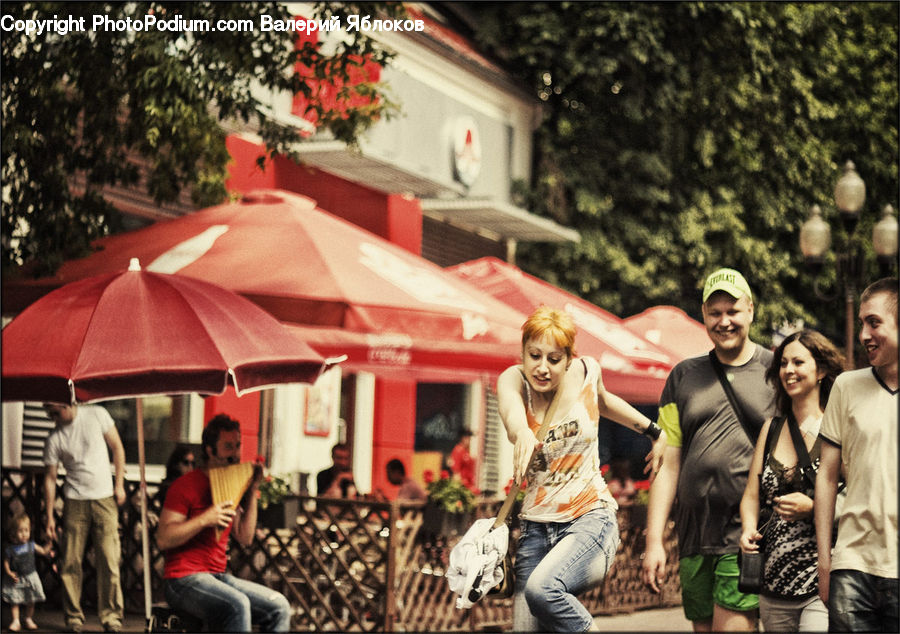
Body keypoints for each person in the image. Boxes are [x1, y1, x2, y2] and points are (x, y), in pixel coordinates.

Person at [497, 305, 666, 631]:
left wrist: (654, 431)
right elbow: (510, 410)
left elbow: (602, 401)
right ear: (523, 353)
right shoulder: (513, 380)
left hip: (590, 521)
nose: (542, 368)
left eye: (553, 359)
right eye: (534, 355)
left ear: (569, 359)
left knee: (542, 589)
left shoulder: (587, 372)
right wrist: (522, 434)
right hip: (535, 531)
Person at [641, 268, 776, 632]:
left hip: (745, 531)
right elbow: (668, 466)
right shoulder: (682, 376)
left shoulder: (775, 371)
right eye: (715, 313)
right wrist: (655, 541)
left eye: (733, 311)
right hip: (693, 534)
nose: (724, 321)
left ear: (750, 310)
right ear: (703, 315)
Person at [739, 329, 844, 631]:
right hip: (772, 583)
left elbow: (857, 497)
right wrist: (747, 529)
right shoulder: (770, 429)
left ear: (821, 370)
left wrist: (814, 507)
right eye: (783, 363)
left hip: (820, 581)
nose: (789, 371)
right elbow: (751, 495)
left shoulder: (838, 429)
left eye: (798, 362)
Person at [815, 277, 898, 632]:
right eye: (862, 322)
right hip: (852, 564)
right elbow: (827, 476)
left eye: (874, 322)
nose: (864, 334)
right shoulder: (847, 386)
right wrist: (825, 560)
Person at [156, 414, 291, 632]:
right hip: (181, 580)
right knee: (237, 604)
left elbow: (245, 537)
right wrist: (204, 519)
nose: (236, 454)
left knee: (279, 606)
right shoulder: (184, 485)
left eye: (237, 446)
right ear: (210, 450)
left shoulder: (230, 485)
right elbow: (163, 539)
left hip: (217, 577)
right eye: (228, 447)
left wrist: (252, 489)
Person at [43, 402, 126, 633]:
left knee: (109, 558)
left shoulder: (97, 414)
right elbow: (50, 478)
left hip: (104, 497)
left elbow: (117, 447)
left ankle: (111, 617)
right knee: (70, 560)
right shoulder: (54, 438)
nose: (54, 419)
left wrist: (119, 484)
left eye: (56, 413)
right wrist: (49, 515)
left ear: (67, 403)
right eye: (49, 414)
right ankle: (73, 618)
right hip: (74, 500)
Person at [2, 513, 51, 632]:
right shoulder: (10, 549)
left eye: (26, 530)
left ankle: (28, 618)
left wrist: (49, 543)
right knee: (15, 600)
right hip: (16, 578)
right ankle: (15, 621)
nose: (24, 534)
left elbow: (44, 551)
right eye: (20, 531)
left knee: (31, 599)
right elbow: (6, 562)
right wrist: (9, 572)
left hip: (31, 577)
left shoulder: (31, 545)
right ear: (13, 534)